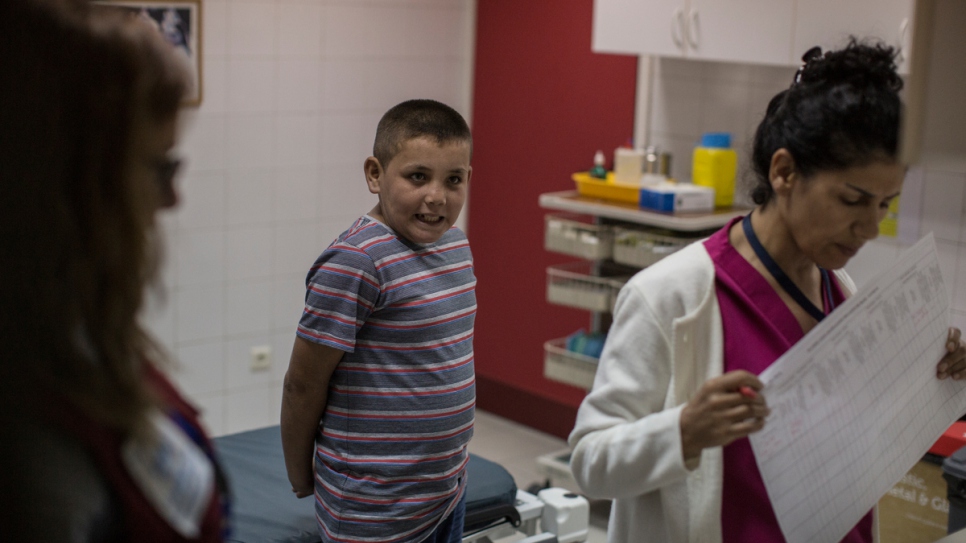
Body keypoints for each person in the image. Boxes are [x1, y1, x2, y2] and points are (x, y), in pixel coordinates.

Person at [568, 40, 966, 543]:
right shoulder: (671, 296)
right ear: (784, 172)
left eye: (885, 205)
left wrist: (933, 375)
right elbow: (590, 462)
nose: (869, 227)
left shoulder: (839, 290)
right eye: (853, 200)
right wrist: (684, 431)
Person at [0, 0, 228, 541]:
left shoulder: (77, 331)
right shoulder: (34, 454)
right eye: (159, 166)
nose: (173, 198)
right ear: (60, 181)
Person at [280, 99, 476, 543]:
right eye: (417, 176)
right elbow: (303, 384)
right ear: (375, 174)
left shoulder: (456, 247)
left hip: (445, 492)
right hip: (372, 509)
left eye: (454, 179)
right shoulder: (356, 261)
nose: (436, 197)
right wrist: (300, 475)